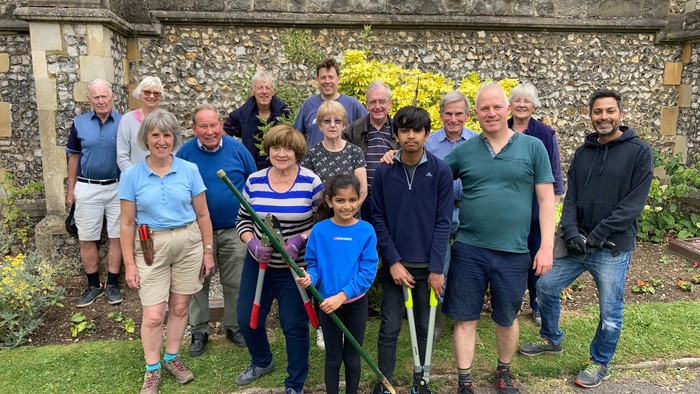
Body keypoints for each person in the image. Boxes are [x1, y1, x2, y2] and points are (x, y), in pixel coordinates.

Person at [519, 89, 653, 389]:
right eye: (597, 112)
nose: (603, 117)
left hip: (611, 247)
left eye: (609, 111)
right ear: (590, 115)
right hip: (577, 242)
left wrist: (596, 236)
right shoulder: (583, 152)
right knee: (546, 285)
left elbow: (633, 204)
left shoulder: (639, 151)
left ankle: (601, 361)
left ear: (620, 113)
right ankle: (552, 339)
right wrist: (569, 231)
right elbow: (572, 197)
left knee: (610, 308)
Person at [443, 82, 555, 394]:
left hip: (513, 251)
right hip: (469, 249)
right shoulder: (463, 151)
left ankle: (503, 372)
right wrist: (397, 155)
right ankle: (464, 382)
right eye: (484, 108)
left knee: (507, 317)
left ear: (507, 110)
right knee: (465, 319)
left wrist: (546, 246)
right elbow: (431, 177)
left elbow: (547, 200)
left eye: (496, 107)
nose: (491, 113)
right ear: (475, 114)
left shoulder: (533, 148)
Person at [119, 109, 215, 394]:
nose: (162, 141)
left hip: (188, 242)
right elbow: (125, 223)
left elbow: (203, 215)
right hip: (150, 246)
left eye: (167, 135)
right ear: (145, 138)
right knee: (153, 314)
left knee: (181, 306)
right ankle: (152, 369)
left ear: (174, 138)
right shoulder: (132, 175)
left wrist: (208, 251)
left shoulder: (189, 170)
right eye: (155, 135)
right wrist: (129, 264)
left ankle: (172, 358)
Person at [235, 125, 323, 394]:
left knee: (294, 325)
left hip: (293, 268)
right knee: (246, 319)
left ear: (297, 153)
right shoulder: (255, 181)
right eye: (276, 147)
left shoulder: (311, 183)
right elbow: (243, 220)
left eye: (288, 149)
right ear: (268, 150)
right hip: (259, 263)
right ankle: (262, 361)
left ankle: (295, 383)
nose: (281, 153)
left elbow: (322, 222)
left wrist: (301, 240)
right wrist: (251, 242)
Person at [371, 106, 453, 394]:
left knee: (424, 326)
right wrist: (392, 261)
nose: (410, 136)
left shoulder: (441, 171)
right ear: (396, 135)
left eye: (416, 130)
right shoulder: (384, 171)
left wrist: (435, 269)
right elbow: (378, 219)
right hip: (396, 266)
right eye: (404, 130)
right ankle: (384, 382)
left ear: (427, 135)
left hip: (426, 267)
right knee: (389, 327)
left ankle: (422, 381)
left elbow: (443, 222)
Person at [177, 104, 257, 355]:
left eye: (214, 125)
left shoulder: (238, 149)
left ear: (221, 125)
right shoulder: (185, 154)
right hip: (197, 230)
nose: (210, 131)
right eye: (203, 126)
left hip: (235, 229)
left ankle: (233, 326)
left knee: (235, 281)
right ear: (194, 128)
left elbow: (252, 182)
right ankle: (199, 330)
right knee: (197, 281)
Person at [295, 173, 379, 394]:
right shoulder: (320, 231)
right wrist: (310, 278)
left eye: (352, 200)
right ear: (330, 201)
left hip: (354, 304)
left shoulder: (366, 231)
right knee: (333, 358)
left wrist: (342, 296)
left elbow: (367, 272)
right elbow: (313, 265)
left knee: (352, 357)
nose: (347, 206)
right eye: (340, 200)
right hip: (326, 305)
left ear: (358, 200)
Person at [300, 100, 368, 350]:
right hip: (322, 224)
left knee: (348, 270)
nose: (332, 125)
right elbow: (308, 190)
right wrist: (330, 218)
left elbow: (362, 189)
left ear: (344, 124)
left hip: (350, 222)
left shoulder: (354, 152)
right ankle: (323, 325)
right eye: (327, 121)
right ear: (319, 124)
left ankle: (350, 321)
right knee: (323, 272)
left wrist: (347, 214)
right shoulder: (312, 154)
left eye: (337, 121)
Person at [507, 82, 565, 326]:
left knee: (538, 259)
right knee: (511, 260)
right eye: (518, 100)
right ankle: (511, 304)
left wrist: (549, 208)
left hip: (534, 210)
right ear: (509, 105)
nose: (522, 105)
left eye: (527, 101)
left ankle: (538, 305)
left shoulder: (544, 133)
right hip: (508, 210)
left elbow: (554, 172)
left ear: (534, 106)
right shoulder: (500, 128)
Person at [65, 78, 124, 307]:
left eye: (104, 96)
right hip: (87, 186)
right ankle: (92, 286)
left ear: (113, 97)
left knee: (117, 236)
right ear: (89, 99)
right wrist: (71, 190)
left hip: (117, 186)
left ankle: (111, 284)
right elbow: (73, 156)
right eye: (96, 97)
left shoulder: (124, 122)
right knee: (87, 237)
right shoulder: (79, 123)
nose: (101, 101)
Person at [344, 81, 399, 223]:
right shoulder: (353, 130)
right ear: (366, 105)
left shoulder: (401, 129)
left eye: (382, 101)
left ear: (390, 104)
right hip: (362, 200)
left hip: (392, 198)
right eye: (372, 102)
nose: (377, 106)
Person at [223, 70, 291, 170]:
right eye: (260, 88)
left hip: (280, 168)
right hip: (251, 169)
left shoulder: (285, 112)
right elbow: (222, 132)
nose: (264, 91)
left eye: (267, 88)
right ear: (253, 91)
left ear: (273, 92)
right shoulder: (242, 114)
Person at [295, 57, 367, 147]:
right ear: (317, 79)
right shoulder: (308, 104)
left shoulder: (353, 105)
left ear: (338, 78)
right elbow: (296, 137)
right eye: (323, 77)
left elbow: (369, 131)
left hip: (344, 160)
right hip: (313, 160)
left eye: (331, 77)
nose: (327, 81)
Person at [117, 76, 165, 170]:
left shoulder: (168, 120)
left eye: (156, 93)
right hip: (136, 179)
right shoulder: (127, 120)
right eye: (147, 92)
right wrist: (133, 176)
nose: (151, 96)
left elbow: (174, 151)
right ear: (140, 94)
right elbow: (122, 155)